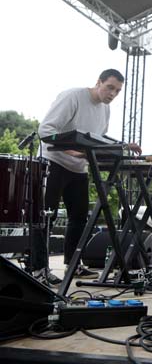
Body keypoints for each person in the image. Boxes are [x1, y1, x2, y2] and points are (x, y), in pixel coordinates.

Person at [32, 69, 142, 286]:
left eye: (118, 91)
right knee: (46, 217)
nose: (112, 94)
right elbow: (45, 130)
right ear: (98, 82)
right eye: (110, 87)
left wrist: (122, 146)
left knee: (79, 218)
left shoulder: (106, 109)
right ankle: (38, 269)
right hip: (52, 161)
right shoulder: (73, 97)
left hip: (78, 168)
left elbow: (97, 140)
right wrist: (75, 152)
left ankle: (74, 264)